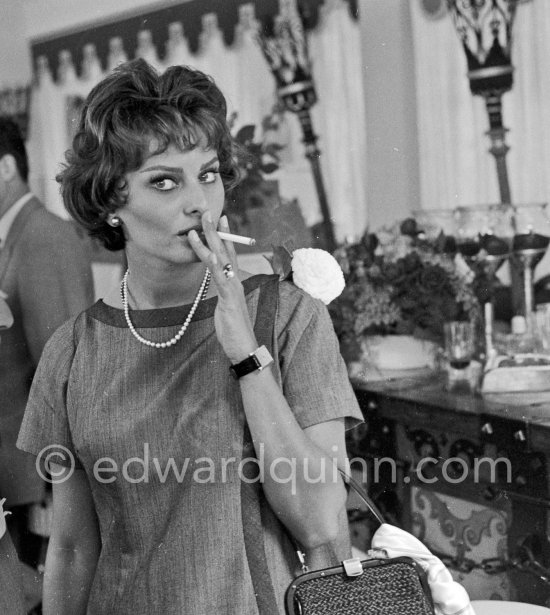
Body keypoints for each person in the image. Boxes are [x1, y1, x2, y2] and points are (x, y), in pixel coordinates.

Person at [17, 58, 363, 615]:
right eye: (164, 181)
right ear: (110, 203)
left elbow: (323, 528)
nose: (199, 202)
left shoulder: (290, 317)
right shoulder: (71, 352)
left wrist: (248, 356)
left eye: (208, 174)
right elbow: (75, 548)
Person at [0, 117, 94, 568]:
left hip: (30, 481)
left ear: (4, 168)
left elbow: (64, 374)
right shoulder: (13, 238)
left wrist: (56, 491)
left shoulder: (43, 238)